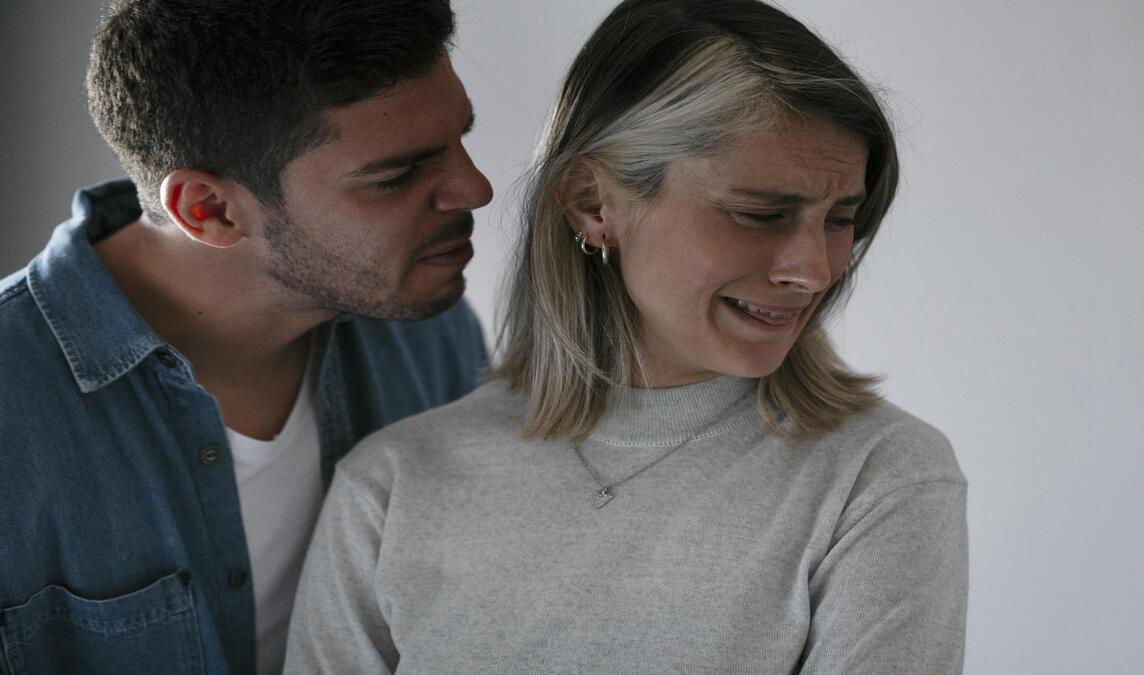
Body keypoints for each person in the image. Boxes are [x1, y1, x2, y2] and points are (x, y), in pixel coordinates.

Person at [286, 0, 968, 672]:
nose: (812, 270)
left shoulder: (877, 477)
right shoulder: (392, 484)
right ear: (592, 204)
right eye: (760, 214)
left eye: (840, 219)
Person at [0, 0, 493, 673]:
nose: (475, 188)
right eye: (396, 175)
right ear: (208, 209)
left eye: (462, 137)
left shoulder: (426, 332)